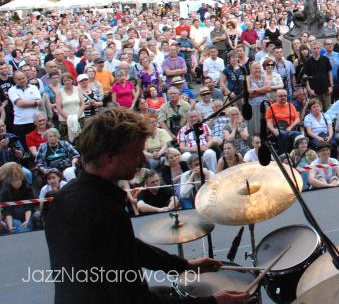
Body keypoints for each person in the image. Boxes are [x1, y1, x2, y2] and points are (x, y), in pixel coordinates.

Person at [45, 107, 249, 303]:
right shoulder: (104, 212)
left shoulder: (66, 197)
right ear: (108, 157)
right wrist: (213, 302)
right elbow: (137, 299)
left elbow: (126, 245)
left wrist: (183, 265)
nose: (142, 160)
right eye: (136, 153)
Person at [0, 162, 34, 234]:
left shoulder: (28, 188)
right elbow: (7, 211)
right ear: (10, 181)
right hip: (12, 217)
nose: (17, 182)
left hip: (27, 215)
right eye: (14, 180)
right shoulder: (5, 191)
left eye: (19, 179)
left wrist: (27, 220)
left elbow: (29, 206)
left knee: (29, 224)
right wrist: (10, 225)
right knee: (16, 224)